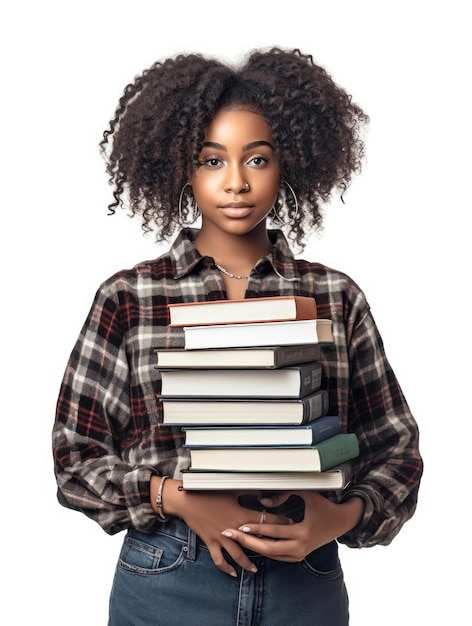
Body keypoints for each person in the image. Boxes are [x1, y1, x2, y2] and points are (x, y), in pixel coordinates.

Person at [52, 47, 423, 625]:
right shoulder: (129, 297)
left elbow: (396, 448)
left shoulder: (335, 296)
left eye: (256, 160)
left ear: (289, 166)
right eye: (211, 161)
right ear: (182, 168)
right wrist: (172, 498)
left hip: (306, 581)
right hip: (168, 577)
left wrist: (340, 517)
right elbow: (74, 456)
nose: (235, 184)